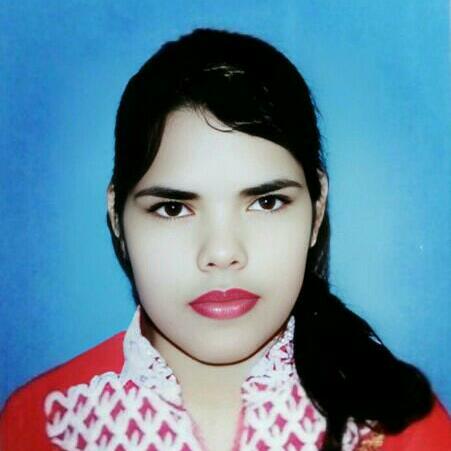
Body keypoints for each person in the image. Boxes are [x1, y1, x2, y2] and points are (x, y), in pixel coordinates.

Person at [0, 28, 449, 451]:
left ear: (317, 209)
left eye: (267, 202)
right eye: (173, 208)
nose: (221, 252)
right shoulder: (42, 427)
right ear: (117, 218)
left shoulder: (402, 427)